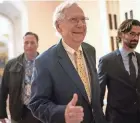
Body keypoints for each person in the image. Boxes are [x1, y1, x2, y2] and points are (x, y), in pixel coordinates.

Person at [28, 1, 107, 123]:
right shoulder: (44, 61)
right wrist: (62, 113)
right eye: (74, 20)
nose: (81, 24)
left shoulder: (90, 50)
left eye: (83, 19)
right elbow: (37, 104)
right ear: (59, 26)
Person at [98, 19, 140, 123]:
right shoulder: (106, 61)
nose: (136, 38)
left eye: (138, 34)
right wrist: (99, 118)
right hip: (116, 118)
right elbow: (99, 93)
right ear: (121, 35)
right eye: (132, 34)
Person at [0, 32, 41, 123]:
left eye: (32, 42)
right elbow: (3, 90)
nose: (29, 45)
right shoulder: (11, 65)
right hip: (18, 112)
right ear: (23, 44)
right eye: (26, 42)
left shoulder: (45, 63)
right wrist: (1, 114)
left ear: (37, 44)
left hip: (40, 112)